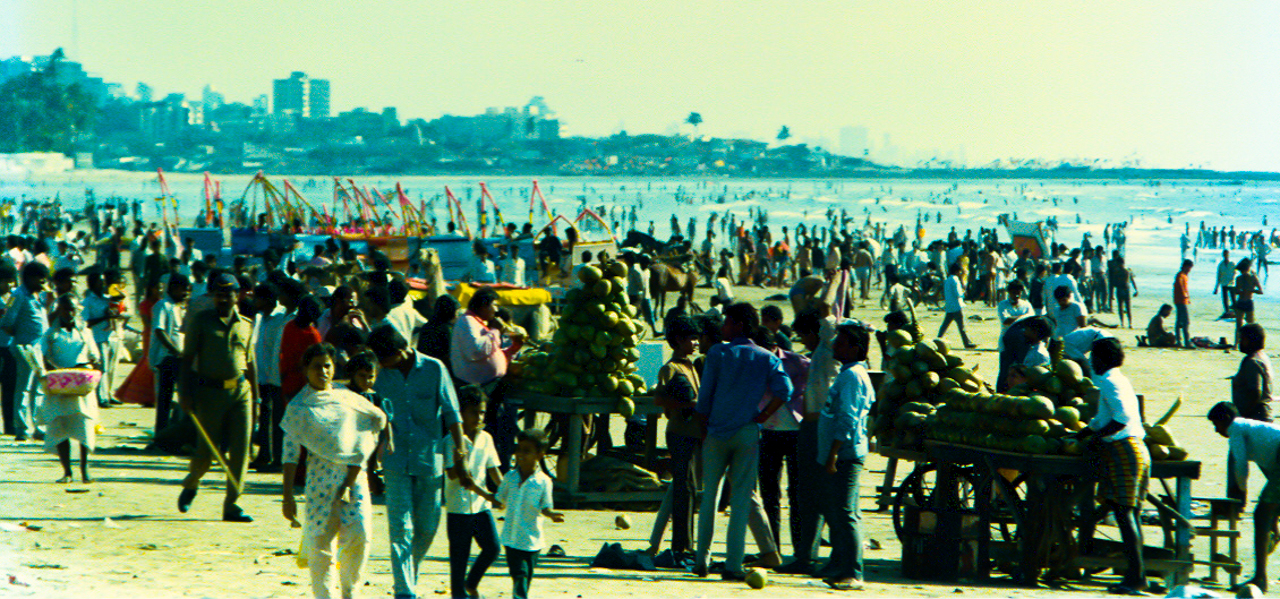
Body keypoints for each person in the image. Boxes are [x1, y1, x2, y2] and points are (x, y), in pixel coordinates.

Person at [693, 302, 792, 581]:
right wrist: (762, 417)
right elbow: (785, 390)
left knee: (710, 497)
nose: (723, 327)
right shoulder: (765, 357)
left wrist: (704, 430)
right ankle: (733, 564)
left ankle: (702, 560)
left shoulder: (717, 353)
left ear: (738, 324)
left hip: (716, 432)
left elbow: (704, 399)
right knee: (740, 501)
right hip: (747, 431)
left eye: (726, 322)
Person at [280, 343, 387, 599]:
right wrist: (287, 495)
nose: (323, 371)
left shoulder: (348, 398)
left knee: (359, 535)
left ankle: (350, 592)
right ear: (306, 369)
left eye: (327, 365)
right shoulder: (298, 408)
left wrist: (353, 474)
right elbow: (290, 454)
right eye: (316, 366)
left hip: (354, 477)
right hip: (319, 481)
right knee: (320, 546)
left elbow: (373, 421)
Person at [368, 325, 466, 599]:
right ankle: (405, 592)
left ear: (401, 352)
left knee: (426, 527)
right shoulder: (380, 377)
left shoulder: (435, 369)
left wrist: (460, 451)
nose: (381, 363)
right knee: (400, 528)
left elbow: (451, 412)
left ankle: (408, 573)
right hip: (394, 461)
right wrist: (370, 469)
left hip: (429, 459)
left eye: (383, 358)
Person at [176, 273, 259, 523]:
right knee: (205, 453)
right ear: (213, 296)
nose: (224, 298)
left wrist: (256, 400)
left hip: (241, 393)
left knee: (241, 450)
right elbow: (188, 360)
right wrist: (185, 394)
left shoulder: (246, 324)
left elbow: (251, 364)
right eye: (219, 294)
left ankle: (232, 504)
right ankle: (191, 483)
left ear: (237, 296)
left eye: (229, 294)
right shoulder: (201, 322)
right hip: (209, 393)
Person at [1074, 338, 1149, 595]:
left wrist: (1095, 438)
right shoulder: (1118, 379)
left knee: (1124, 514)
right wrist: (1084, 432)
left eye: (1094, 357)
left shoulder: (1107, 381)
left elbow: (1120, 419)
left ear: (1102, 359)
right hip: (1136, 447)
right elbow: (1102, 418)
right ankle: (1136, 575)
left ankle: (1136, 577)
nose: (1091, 361)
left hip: (1124, 449)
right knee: (1130, 513)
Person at [816, 320, 875, 591]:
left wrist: (832, 455)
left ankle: (854, 572)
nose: (834, 346)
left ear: (855, 348)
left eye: (840, 342)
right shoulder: (851, 373)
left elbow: (848, 418)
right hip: (841, 451)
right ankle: (839, 564)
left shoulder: (852, 377)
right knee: (838, 509)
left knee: (845, 512)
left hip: (846, 453)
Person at [1208, 401, 1280, 593]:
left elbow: (1240, 466)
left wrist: (1241, 493)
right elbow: (1272, 471)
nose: (1217, 431)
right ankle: (1262, 571)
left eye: (1216, 425)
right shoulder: (1254, 429)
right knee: (1268, 513)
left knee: (1260, 516)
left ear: (1224, 421)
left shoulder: (1235, 429)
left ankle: (1260, 578)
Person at [647, 315, 702, 559]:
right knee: (684, 489)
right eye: (691, 338)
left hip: (693, 435)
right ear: (679, 341)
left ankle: (685, 543)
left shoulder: (691, 366)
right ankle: (681, 546)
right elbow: (659, 400)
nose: (696, 342)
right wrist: (688, 403)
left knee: (689, 489)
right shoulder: (670, 368)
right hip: (679, 434)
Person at [443, 385, 503, 599]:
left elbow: (493, 469)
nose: (478, 417)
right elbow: (452, 475)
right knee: (459, 558)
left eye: (482, 412)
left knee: (493, 548)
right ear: (462, 413)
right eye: (473, 412)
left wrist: (505, 491)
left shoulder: (486, 438)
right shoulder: (451, 441)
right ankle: (460, 593)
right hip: (458, 508)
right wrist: (486, 493)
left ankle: (472, 582)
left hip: (481, 508)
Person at [492, 428, 564, 599]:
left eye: (527, 451)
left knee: (523, 576)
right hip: (510, 539)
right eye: (519, 450)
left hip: (531, 541)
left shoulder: (543, 482)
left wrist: (552, 514)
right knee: (518, 575)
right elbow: (499, 499)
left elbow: (545, 506)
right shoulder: (510, 477)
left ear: (539, 455)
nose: (520, 455)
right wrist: (479, 491)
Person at [41, 295, 100, 483]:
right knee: (60, 426)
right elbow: (42, 356)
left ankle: (84, 469)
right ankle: (67, 471)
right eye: (66, 309)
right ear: (60, 310)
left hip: (80, 385)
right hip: (59, 385)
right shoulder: (51, 334)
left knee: (84, 426)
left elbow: (94, 356)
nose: (70, 313)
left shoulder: (85, 332)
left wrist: (87, 367)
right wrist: (51, 371)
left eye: (73, 309)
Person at [0, 261, 50, 442]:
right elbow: (6, 322)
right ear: (30, 277)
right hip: (25, 349)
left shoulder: (37, 296)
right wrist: (22, 335)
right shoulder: (17, 295)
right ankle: (21, 427)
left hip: (38, 349)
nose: (43, 282)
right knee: (24, 388)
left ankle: (38, 427)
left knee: (38, 389)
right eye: (40, 279)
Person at [250, 284, 289, 472]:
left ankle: (276, 458)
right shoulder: (260, 318)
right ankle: (263, 454)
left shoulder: (280, 318)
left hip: (274, 377)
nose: (253, 301)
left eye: (257, 298)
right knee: (264, 418)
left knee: (276, 420)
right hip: (261, 377)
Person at [150, 275, 190, 434]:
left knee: (183, 398)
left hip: (181, 358)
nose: (186, 294)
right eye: (183, 290)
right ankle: (161, 433)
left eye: (188, 291)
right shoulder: (163, 305)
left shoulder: (181, 307)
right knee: (165, 399)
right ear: (173, 289)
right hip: (168, 358)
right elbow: (159, 330)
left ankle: (175, 432)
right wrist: (175, 351)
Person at [81, 269, 125, 409]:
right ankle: (101, 397)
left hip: (112, 336)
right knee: (103, 368)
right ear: (93, 284)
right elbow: (86, 322)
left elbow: (120, 304)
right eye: (100, 281)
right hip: (98, 337)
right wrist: (105, 317)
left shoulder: (107, 298)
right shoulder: (88, 301)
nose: (103, 283)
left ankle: (109, 394)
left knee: (112, 368)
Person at [416, 293, 459, 374]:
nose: (457, 315)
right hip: (438, 370)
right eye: (456, 312)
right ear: (450, 312)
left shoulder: (427, 325)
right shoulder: (446, 330)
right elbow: (449, 355)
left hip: (423, 367)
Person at [937, 262, 976, 349]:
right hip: (957, 305)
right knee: (962, 327)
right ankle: (967, 343)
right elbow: (958, 293)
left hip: (949, 306)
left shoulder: (947, 280)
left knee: (945, 325)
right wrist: (963, 293)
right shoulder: (955, 279)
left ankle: (938, 339)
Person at [1234, 258, 1263, 347]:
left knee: (1250, 325)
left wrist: (1251, 290)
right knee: (1239, 324)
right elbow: (1236, 291)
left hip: (1247, 301)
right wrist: (1241, 291)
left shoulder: (1253, 278)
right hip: (1242, 302)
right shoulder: (1239, 278)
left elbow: (1261, 291)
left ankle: (1249, 343)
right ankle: (1236, 343)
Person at [997, 280, 1032, 352]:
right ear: (1009, 292)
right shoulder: (1002, 304)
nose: (1016, 295)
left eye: (1018, 292)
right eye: (1014, 293)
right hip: (1006, 340)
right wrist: (1023, 317)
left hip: (1023, 341)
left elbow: (1031, 320)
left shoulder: (1026, 304)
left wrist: (1015, 319)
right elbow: (1005, 321)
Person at [1174, 259, 1193, 348]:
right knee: (1185, 322)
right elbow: (1180, 286)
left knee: (1180, 321)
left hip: (1181, 300)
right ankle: (1185, 341)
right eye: (1189, 268)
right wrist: (1185, 295)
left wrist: (1187, 297)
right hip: (1180, 301)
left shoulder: (1184, 275)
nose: (1190, 270)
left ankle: (1180, 340)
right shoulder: (1180, 275)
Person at [1215, 249, 1236, 319]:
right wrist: (1216, 288)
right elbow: (1218, 276)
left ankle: (1235, 312)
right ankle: (1227, 311)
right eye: (1224, 254)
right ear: (1223, 255)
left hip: (1232, 284)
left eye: (1227, 254)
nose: (1225, 256)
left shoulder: (1232, 263)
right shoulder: (1221, 265)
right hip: (1224, 283)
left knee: (1233, 299)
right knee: (1225, 299)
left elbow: (1235, 273)